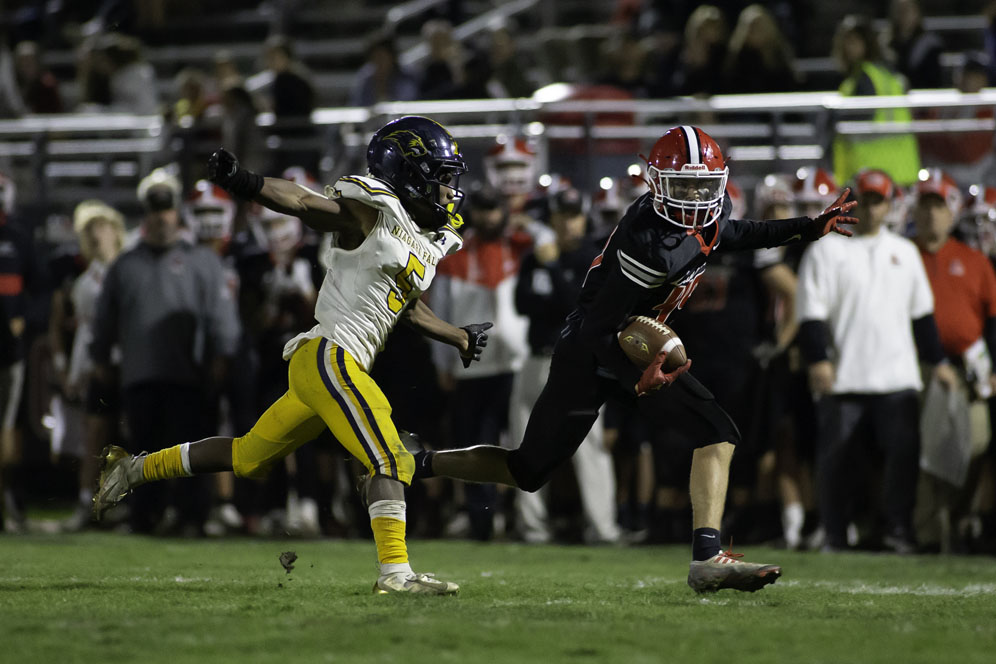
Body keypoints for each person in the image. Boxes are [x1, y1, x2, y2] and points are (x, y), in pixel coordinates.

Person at [414, 125, 858, 593]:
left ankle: (707, 557)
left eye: (701, 186)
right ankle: (421, 464)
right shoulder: (648, 241)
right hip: (590, 352)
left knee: (718, 432)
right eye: (681, 185)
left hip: (634, 346)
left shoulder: (707, 214)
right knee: (527, 470)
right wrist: (637, 372)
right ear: (655, 182)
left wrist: (806, 228)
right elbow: (598, 327)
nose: (692, 196)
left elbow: (735, 232)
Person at [92, 116, 490, 595]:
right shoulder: (370, 213)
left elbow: (403, 305)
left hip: (323, 368)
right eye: (442, 175)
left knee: (247, 457)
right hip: (331, 356)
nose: (451, 188)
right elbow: (303, 202)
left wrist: (458, 337)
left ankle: (133, 468)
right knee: (388, 454)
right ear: (409, 173)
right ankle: (396, 574)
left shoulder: (417, 238)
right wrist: (246, 182)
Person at [796, 168, 957, 553]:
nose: (870, 208)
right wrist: (818, 359)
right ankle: (835, 532)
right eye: (863, 200)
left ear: (889, 205)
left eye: (877, 200)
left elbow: (922, 316)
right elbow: (810, 313)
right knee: (835, 460)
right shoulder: (826, 249)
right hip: (844, 374)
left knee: (902, 458)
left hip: (896, 376)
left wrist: (939, 362)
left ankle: (897, 529)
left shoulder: (904, 252)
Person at [90, 168, 241, 536]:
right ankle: (145, 517)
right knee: (142, 449)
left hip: (188, 374)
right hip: (139, 375)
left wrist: (223, 354)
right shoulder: (125, 265)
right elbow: (104, 318)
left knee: (189, 451)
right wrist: (99, 357)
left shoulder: (201, 261)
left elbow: (221, 314)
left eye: (167, 209)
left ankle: (192, 517)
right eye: (154, 210)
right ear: (146, 214)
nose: (161, 217)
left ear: (176, 212)